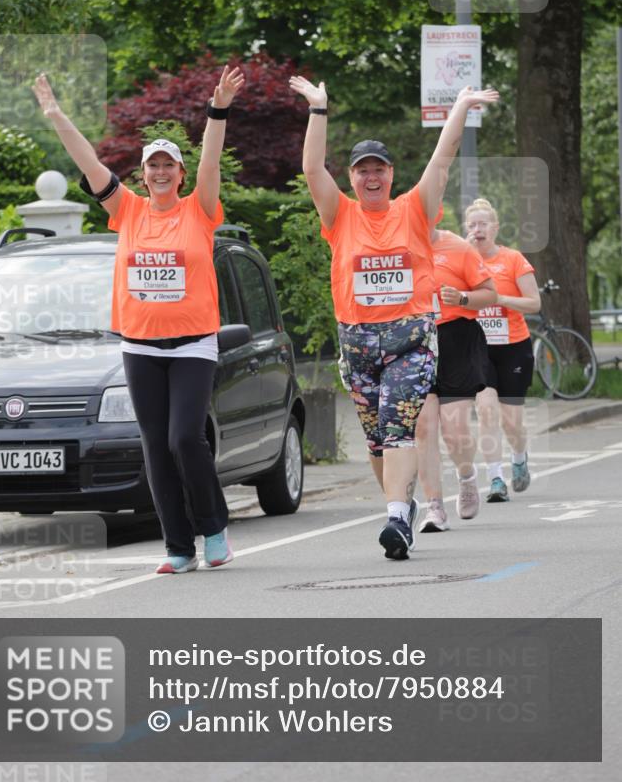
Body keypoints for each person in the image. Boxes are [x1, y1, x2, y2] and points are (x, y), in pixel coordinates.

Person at [32, 65, 244, 573]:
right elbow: (89, 160)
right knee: (154, 448)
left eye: (170, 165)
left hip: (193, 344)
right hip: (141, 345)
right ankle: (177, 547)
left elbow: (211, 160)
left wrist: (218, 111)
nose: (162, 172)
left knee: (183, 439)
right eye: (154, 166)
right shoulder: (126, 210)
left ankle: (213, 528)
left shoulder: (200, 210)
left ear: (180, 174)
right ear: (144, 174)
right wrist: (56, 114)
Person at [290, 75, 499, 559]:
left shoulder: (414, 210)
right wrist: (318, 109)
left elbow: (442, 161)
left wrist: (462, 105)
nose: (371, 177)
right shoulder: (339, 215)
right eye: (362, 170)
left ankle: (396, 518)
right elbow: (311, 168)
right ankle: (399, 504)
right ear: (353, 178)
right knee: (377, 440)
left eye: (378, 169)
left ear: (390, 173)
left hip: (411, 339)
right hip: (358, 343)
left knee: (399, 424)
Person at [415, 214, 496, 532]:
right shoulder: (399, 248)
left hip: (456, 339)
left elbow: (489, 294)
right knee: (423, 427)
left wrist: (462, 298)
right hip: (416, 341)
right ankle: (434, 507)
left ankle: (466, 476)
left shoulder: (459, 248)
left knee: (454, 428)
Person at [464, 197, 541, 502]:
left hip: (513, 347)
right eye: (472, 225)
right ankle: (495, 479)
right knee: (485, 411)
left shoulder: (513, 260)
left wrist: (500, 300)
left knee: (512, 421)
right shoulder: (463, 260)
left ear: (495, 228)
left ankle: (519, 457)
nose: (477, 229)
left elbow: (534, 303)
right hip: (478, 348)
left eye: (483, 224)